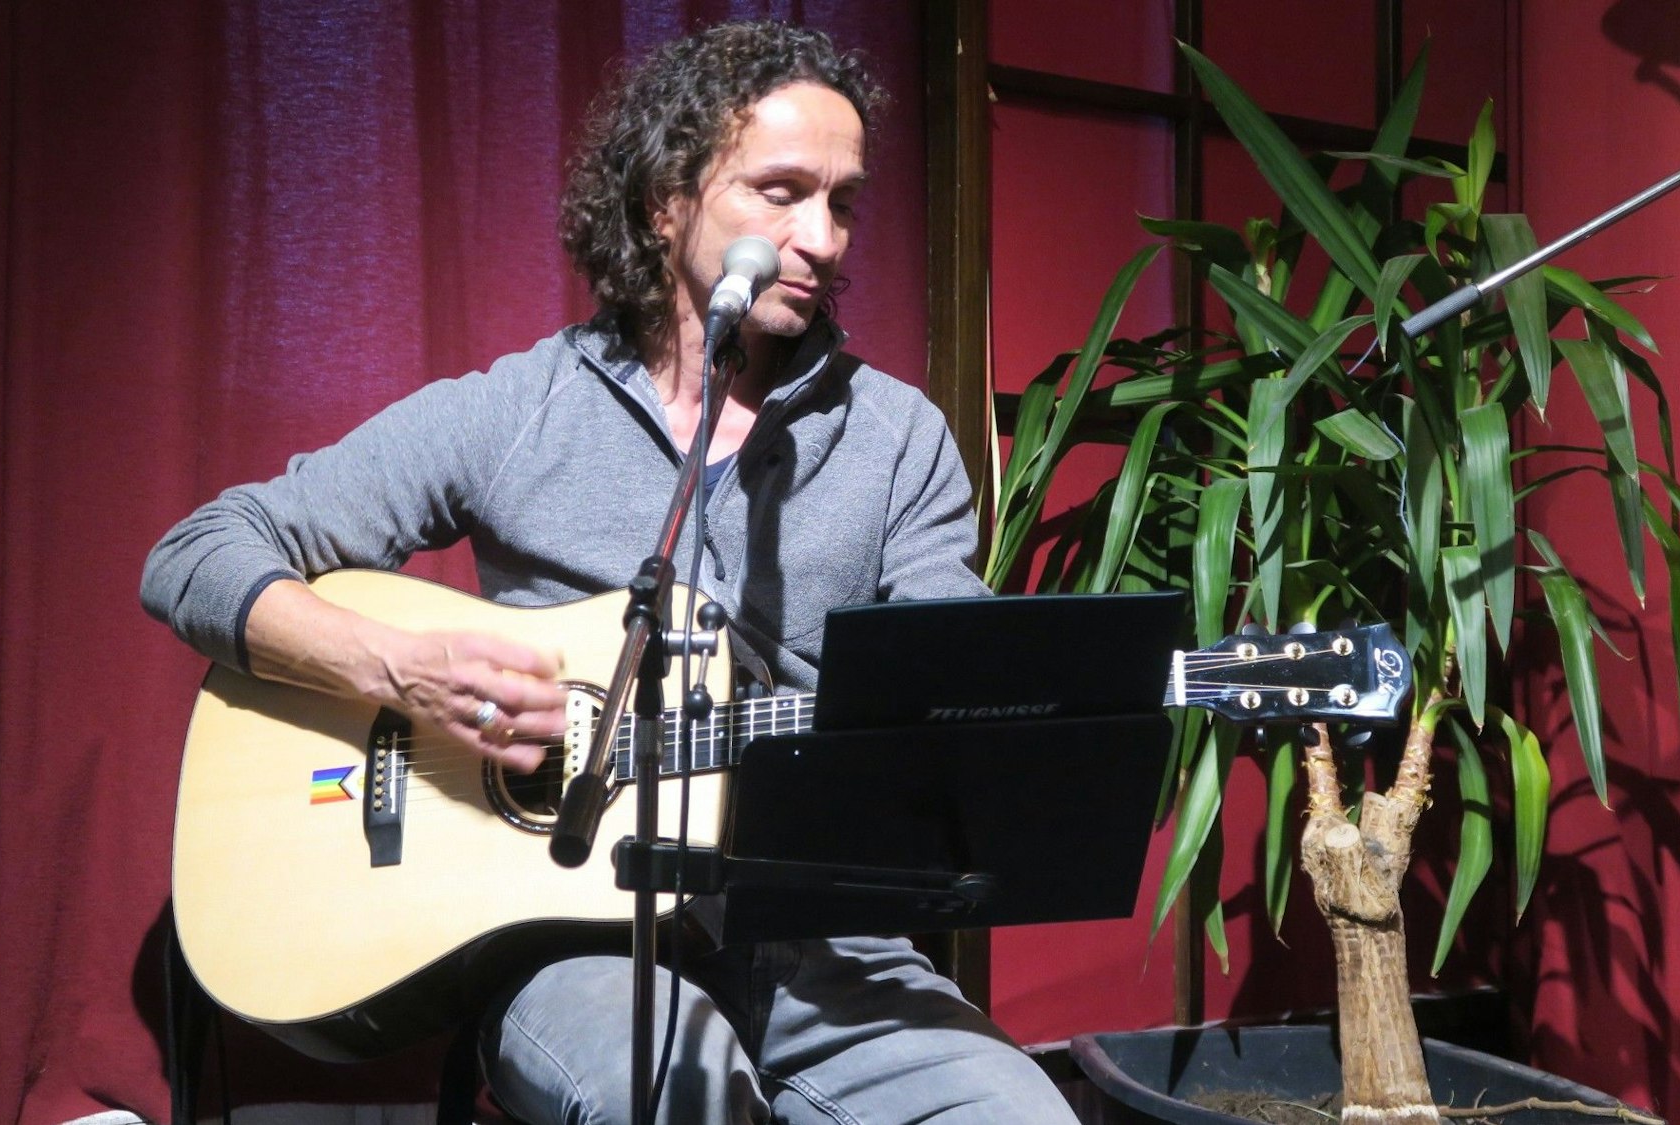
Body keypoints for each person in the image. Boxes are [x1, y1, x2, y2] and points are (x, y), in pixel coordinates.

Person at [142, 20, 1079, 1125]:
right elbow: (195, 555)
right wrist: (399, 670)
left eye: (843, 201)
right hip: (574, 947)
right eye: (779, 193)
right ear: (663, 202)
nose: (821, 238)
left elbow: (946, 688)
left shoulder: (897, 437)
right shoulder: (519, 409)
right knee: (671, 1101)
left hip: (815, 940)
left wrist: (989, 717)